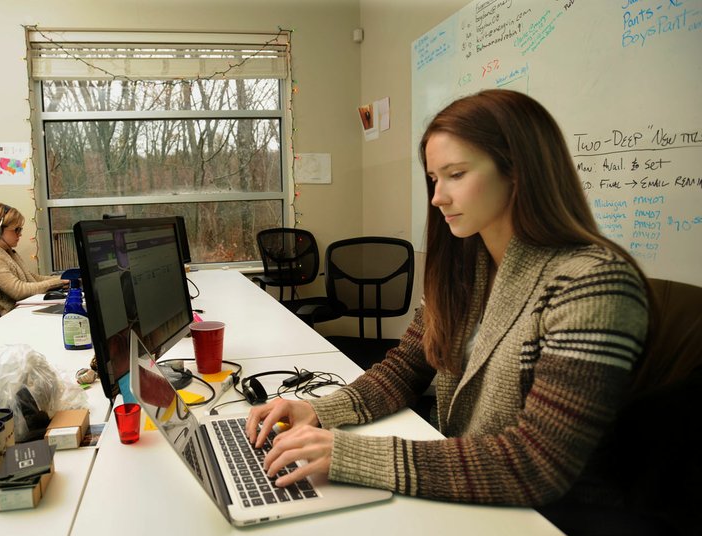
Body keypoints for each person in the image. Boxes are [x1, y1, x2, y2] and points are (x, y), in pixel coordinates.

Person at [246, 89, 652, 507]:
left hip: (547, 522)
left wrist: (349, 455)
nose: (438, 197)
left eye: (456, 174)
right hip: (468, 487)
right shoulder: (469, 265)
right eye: (434, 179)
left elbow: (536, 464)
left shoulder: (593, 283)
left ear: (519, 171)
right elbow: (406, 368)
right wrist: (320, 411)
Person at [0, 203, 68, 315]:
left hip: (25, 310)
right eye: (16, 230)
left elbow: (32, 278)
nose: (20, 234)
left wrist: (64, 278)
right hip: (13, 317)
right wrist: (58, 282)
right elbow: (19, 291)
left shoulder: (6, 251)